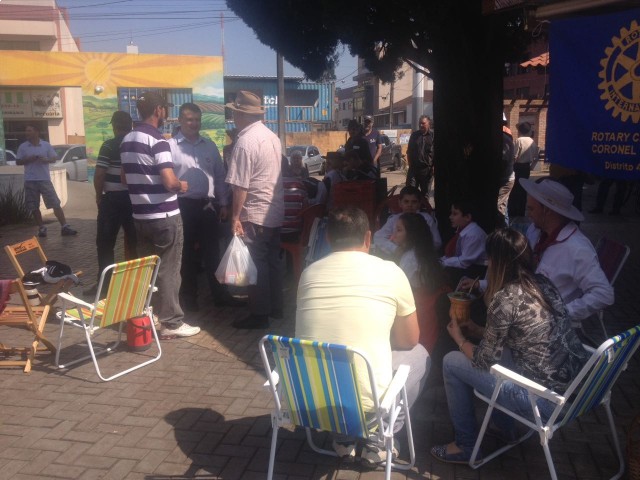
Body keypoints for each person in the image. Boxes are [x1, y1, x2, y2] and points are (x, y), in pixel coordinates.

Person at [430, 228, 589, 464]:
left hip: (545, 405)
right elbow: (522, 336)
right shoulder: (543, 284)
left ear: (496, 262)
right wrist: (478, 330)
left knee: (451, 361)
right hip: (577, 393)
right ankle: (503, 429)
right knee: (502, 354)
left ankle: (465, 445)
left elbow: (483, 360)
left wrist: (459, 338)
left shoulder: (505, 299)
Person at [295, 206, 430, 466]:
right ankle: (378, 438)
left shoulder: (308, 274)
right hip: (367, 404)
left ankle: (344, 438)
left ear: (328, 238)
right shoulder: (391, 272)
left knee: (335, 356)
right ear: (368, 238)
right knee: (420, 354)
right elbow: (409, 340)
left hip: (313, 401)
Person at [120, 91, 200, 338]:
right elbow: (169, 181)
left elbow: (124, 178)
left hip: (140, 217)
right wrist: (181, 185)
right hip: (164, 216)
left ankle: (151, 314)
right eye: (165, 108)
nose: (166, 113)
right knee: (168, 269)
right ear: (158, 110)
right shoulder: (158, 140)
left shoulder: (127, 140)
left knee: (148, 269)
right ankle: (171, 323)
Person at [169, 102, 243, 312]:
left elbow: (219, 177)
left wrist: (224, 203)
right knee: (187, 256)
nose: (194, 123)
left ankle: (220, 295)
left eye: (197, 120)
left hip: (207, 207)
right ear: (180, 120)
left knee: (213, 254)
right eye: (189, 120)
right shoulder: (170, 147)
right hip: (182, 207)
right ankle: (189, 298)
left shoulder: (209, 146)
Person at [225, 90, 284, 329]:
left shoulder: (245, 142)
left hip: (255, 212)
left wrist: (235, 217)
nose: (233, 118)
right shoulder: (272, 137)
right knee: (272, 262)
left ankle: (259, 314)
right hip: (274, 209)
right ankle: (276, 307)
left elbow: (240, 185)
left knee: (256, 264)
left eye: (234, 113)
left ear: (241, 115)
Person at [519, 178, 613, 326]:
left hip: (547, 325)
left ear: (547, 211)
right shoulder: (535, 231)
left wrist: (561, 313)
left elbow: (604, 294)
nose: (528, 213)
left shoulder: (577, 249)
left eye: (531, 209)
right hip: (525, 308)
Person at [88, 111, 137, 295]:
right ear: (130, 126)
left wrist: (98, 196)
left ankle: (105, 285)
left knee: (105, 243)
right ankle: (136, 285)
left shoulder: (109, 145)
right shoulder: (135, 146)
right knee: (134, 243)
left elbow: (99, 174)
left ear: (115, 126)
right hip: (134, 201)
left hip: (112, 201)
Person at [390, 212, 447, 353]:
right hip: (427, 308)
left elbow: (399, 290)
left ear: (411, 234)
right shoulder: (421, 253)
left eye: (399, 230)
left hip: (418, 309)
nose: (394, 234)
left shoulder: (409, 259)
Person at [16, 124, 77, 238]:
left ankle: (64, 227)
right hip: (30, 180)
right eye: (26, 131)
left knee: (55, 203)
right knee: (34, 206)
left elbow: (54, 158)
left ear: (36, 132)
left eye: (29, 130)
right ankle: (41, 228)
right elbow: (18, 161)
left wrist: (46, 160)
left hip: (44, 179)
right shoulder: (23, 147)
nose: (27, 133)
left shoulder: (46, 145)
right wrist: (28, 159)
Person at [373, 185, 442, 257]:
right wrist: (395, 249)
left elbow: (437, 242)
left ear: (419, 204)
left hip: (421, 256)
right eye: (406, 202)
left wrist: (415, 250)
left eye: (414, 202)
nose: (410, 205)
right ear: (400, 203)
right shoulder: (394, 219)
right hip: (397, 255)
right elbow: (378, 237)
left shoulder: (426, 219)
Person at [440, 201, 487, 286]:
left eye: (455, 214)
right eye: (451, 213)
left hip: (477, 271)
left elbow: (464, 261)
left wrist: (442, 263)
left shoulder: (473, 234)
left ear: (467, 217)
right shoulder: (462, 231)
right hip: (469, 267)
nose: (450, 217)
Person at [507, 121, 539, 218]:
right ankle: (521, 211)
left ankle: (513, 211)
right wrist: (532, 167)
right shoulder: (532, 141)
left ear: (520, 130)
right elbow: (536, 157)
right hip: (526, 168)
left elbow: (514, 156)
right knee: (523, 189)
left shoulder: (518, 140)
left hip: (517, 167)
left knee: (514, 189)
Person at [406, 115, 434, 199]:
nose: (421, 125)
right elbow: (409, 151)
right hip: (414, 169)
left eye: (423, 123)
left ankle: (424, 207)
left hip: (427, 170)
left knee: (425, 196)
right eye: (419, 123)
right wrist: (410, 165)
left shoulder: (433, 136)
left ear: (428, 123)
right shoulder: (414, 135)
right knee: (410, 192)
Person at [497, 120, 515, 226]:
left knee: (498, 207)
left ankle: (502, 230)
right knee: (503, 205)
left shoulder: (503, 139)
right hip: (505, 178)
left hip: (505, 179)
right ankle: (505, 228)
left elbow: (503, 162)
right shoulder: (503, 137)